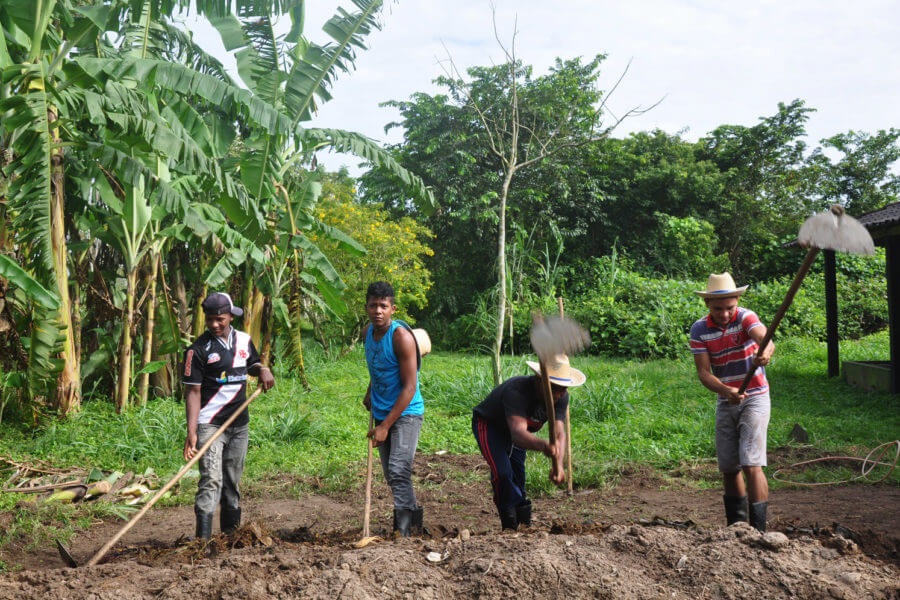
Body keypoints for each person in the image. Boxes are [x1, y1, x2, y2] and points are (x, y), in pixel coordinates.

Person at [183, 292, 274, 539]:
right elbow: (193, 392)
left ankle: (230, 537)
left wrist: (263, 369)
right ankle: (202, 540)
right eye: (210, 319)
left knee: (232, 480)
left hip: (239, 425)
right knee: (211, 480)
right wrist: (191, 432)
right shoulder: (198, 350)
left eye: (220, 319)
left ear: (230, 317)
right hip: (210, 425)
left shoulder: (244, 341)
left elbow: (252, 364)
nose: (214, 324)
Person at [689, 272, 774, 532]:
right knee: (729, 466)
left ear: (737, 301)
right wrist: (727, 390)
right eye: (718, 309)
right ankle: (737, 529)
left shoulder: (746, 317)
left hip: (755, 396)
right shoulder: (699, 329)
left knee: (751, 462)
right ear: (707, 305)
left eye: (729, 308)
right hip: (727, 400)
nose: (725, 314)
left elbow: (765, 339)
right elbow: (704, 373)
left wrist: (765, 354)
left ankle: (759, 531)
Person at [472, 354, 583, 530]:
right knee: (503, 474)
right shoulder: (517, 391)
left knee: (518, 477)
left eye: (564, 389)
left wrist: (558, 466)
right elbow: (517, 434)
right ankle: (509, 526)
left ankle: (524, 527)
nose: (560, 394)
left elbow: (559, 434)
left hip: (521, 434)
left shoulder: (562, 397)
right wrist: (544, 445)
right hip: (491, 427)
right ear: (540, 381)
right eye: (555, 388)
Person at [362, 281, 425, 537]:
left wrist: (385, 426)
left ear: (392, 309)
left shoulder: (401, 337)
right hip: (381, 409)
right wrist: (369, 391)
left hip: (407, 412)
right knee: (391, 474)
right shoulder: (368, 332)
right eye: (373, 305)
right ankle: (412, 520)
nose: (378, 311)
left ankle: (405, 530)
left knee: (399, 469)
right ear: (366, 307)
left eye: (383, 306)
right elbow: (377, 366)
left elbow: (410, 387)